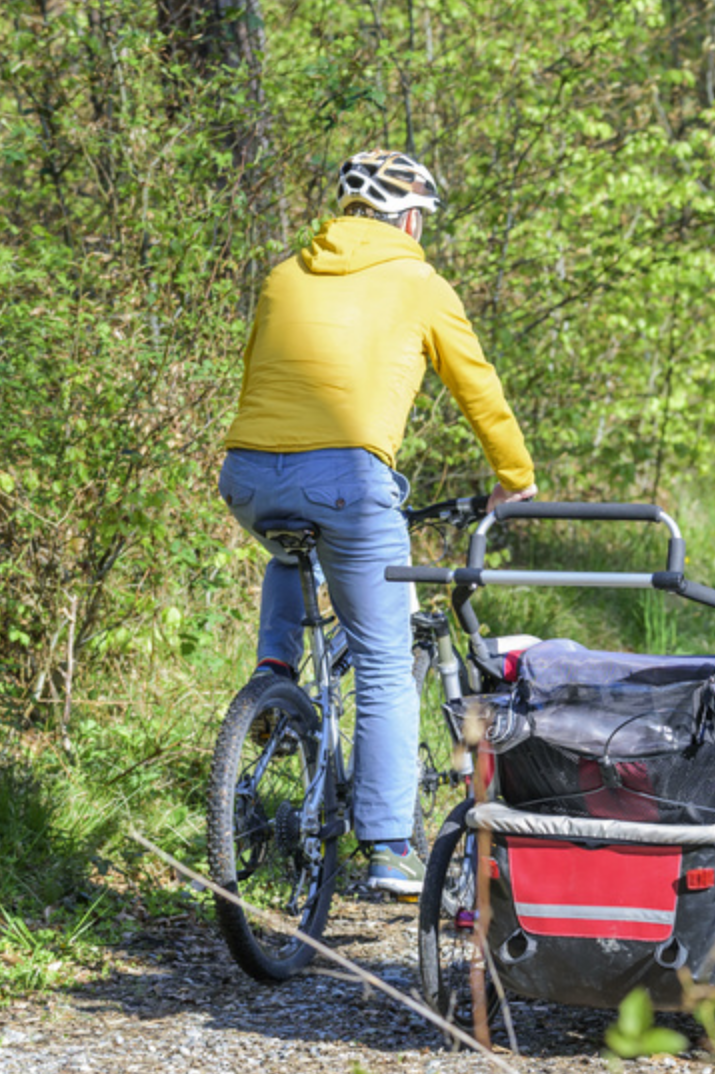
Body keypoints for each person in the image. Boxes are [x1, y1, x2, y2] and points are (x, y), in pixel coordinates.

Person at [219, 149, 538, 894]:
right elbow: (478, 388)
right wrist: (514, 478)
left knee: (288, 551)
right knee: (388, 661)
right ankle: (390, 844)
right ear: (411, 218)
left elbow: (256, 373)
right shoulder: (417, 281)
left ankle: (272, 674)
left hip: (248, 472)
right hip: (350, 479)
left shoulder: (284, 273)